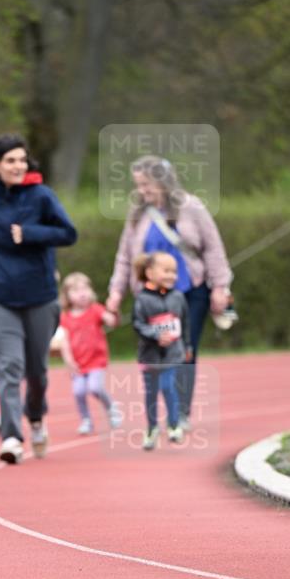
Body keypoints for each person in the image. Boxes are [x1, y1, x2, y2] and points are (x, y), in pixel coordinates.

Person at [0, 134, 77, 464]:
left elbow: (69, 233)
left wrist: (32, 233)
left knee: (36, 372)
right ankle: (11, 437)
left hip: (40, 296)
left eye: (22, 160)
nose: (18, 166)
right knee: (8, 367)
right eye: (10, 161)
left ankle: (35, 417)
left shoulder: (41, 196)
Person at [106, 155, 231, 429]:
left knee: (184, 348)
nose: (142, 191)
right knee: (156, 351)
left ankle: (182, 412)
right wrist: (115, 292)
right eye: (139, 185)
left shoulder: (191, 207)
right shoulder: (138, 213)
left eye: (147, 184)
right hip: (151, 297)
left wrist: (220, 287)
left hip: (190, 291)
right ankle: (163, 410)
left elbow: (213, 248)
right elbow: (125, 256)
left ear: (163, 182)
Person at [132, 252, 191, 451]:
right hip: (149, 355)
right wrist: (155, 335)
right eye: (166, 271)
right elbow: (138, 324)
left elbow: (185, 323)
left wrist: (187, 345)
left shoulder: (178, 297)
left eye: (174, 271)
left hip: (172, 353)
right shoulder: (142, 299)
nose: (172, 276)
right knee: (151, 393)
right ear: (150, 273)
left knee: (168, 386)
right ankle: (152, 428)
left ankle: (174, 425)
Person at [58, 272, 122, 435]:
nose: (82, 293)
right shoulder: (65, 317)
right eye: (76, 290)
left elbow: (111, 321)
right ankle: (86, 420)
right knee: (78, 392)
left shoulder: (95, 310)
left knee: (95, 388)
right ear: (67, 295)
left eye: (85, 289)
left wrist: (113, 310)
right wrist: (68, 360)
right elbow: (64, 341)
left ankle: (111, 408)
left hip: (96, 361)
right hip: (78, 363)